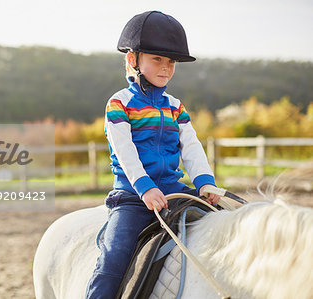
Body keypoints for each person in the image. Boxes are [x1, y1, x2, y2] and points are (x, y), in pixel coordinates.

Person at [85, 11, 220, 298]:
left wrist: (205, 182)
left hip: (174, 190)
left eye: (171, 62)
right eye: (157, 59)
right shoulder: (119, 103)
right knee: (113, 261)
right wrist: (145, 188)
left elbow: (192, 146)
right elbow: (125, 152)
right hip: (134, 198)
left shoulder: (175, 106)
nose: (166, 68)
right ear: (133, 60)